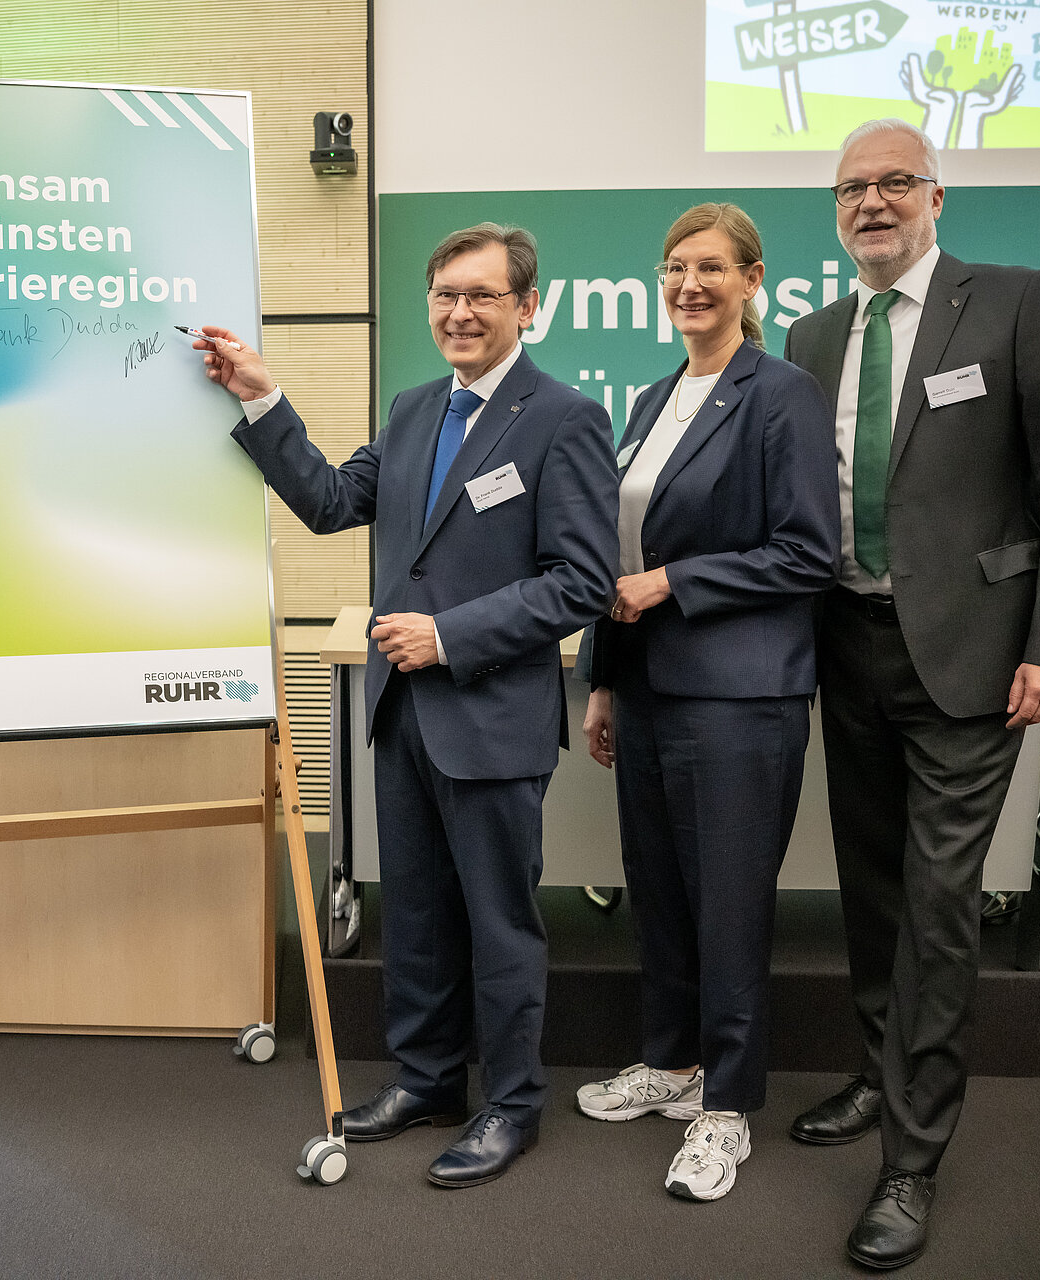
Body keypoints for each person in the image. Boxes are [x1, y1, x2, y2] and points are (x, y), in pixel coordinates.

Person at [194, 223, 618, 1187]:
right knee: (418, 914)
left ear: (526, 307)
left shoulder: (566, 418)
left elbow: (580, 581)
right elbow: (335, 500)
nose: (459, 314)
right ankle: (428, 1079)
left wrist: (449, 634)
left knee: (500, 923)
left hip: (492, 716)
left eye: (481, 296)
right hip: (403, 715)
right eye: (444, 297)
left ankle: (511, 1105)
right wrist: (264, 399)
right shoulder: (415, 407)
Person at [783, 120, 1040, 1269]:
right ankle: (877, 1073)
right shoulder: (813, 335)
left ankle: (912, 1160)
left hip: (973, 657)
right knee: (871, 892)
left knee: (936, 904)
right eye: (851, 189)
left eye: (894, 184)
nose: (872, 203)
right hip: (847, 647)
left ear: (936, 197)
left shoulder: (1014, 302)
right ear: (836, 212)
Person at [571, 203, 838, 1202]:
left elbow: (808, 550)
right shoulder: (649, 398)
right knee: (664, 894)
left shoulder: (783, 395)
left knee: (728, 903)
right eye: (677, 266)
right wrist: (603, 677)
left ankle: (725, 1109)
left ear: (753, 280)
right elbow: (617, 557)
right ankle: (674, 1066)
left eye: (713, 267)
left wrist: (679, 581)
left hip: (740, 694)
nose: (691, 283)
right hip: (647, 690)